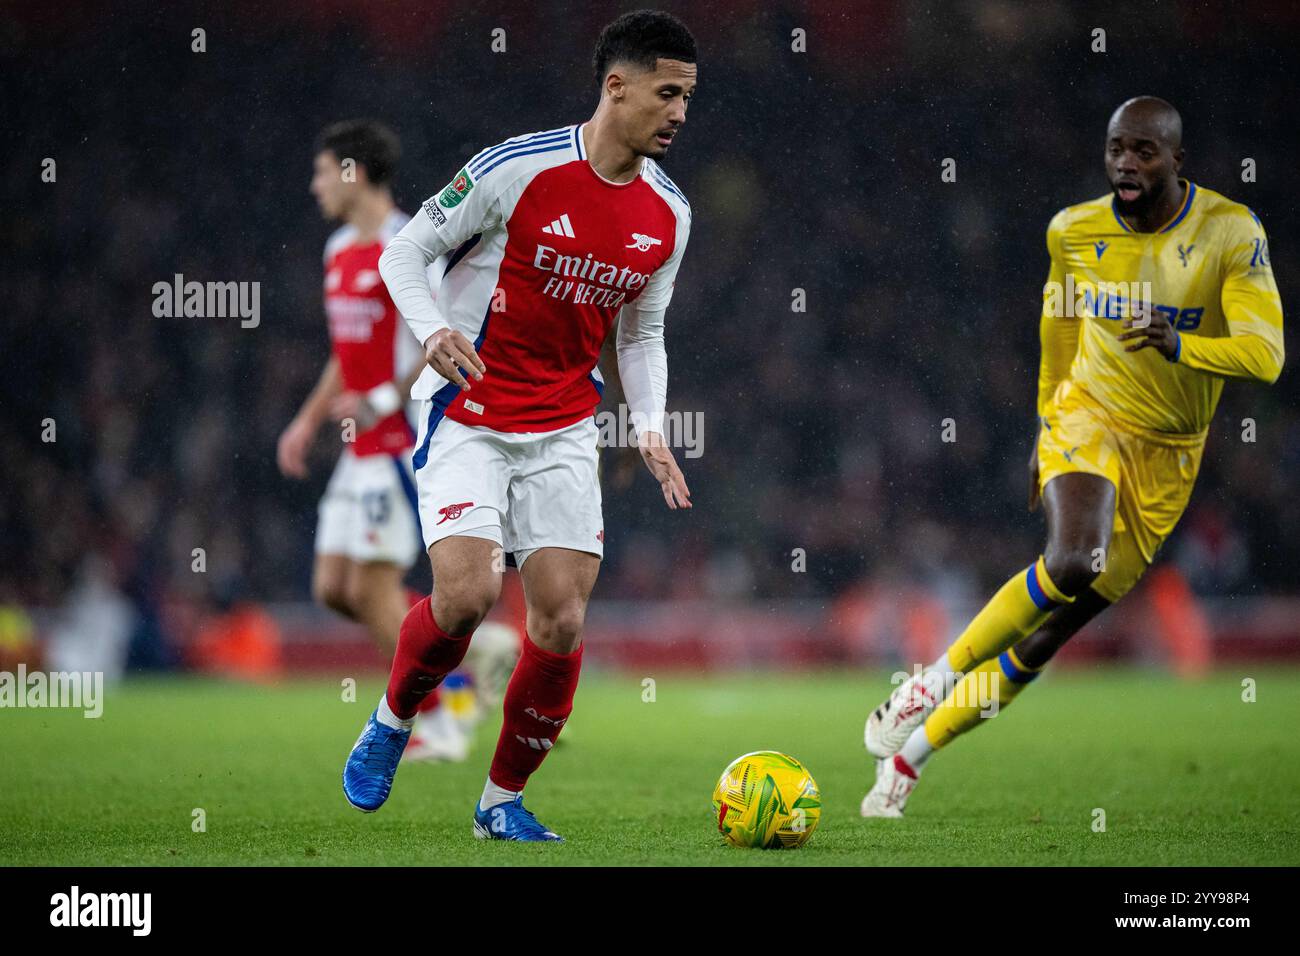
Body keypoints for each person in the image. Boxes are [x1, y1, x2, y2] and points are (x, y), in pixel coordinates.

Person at [861, 96, 1284, 817]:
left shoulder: (1229, 233)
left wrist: (1181, 342)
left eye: (1145, 151)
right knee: (1070, 560)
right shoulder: (1074, 231)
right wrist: (1045, 421)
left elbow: (1268, 355)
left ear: (1177, 161)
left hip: (1171, 451)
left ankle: (909, 757)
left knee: (1050, 632)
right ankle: (930, 679)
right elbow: (1057, 325)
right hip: (1088, 414)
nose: (1126, 162)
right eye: (1117, 147)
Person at [341, 10, 698, 842]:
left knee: (562, 620)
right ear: (617, 86)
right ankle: (394, 720)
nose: (681, 112)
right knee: (466, 598)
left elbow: (642, 332)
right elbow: (405, 254)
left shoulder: (669, 216)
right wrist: (432, 330)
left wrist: (648, 424)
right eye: (668, 93)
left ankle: (501, 802)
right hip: (469, 405)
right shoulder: (518, 168)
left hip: (567, 421)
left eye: (689, 96)